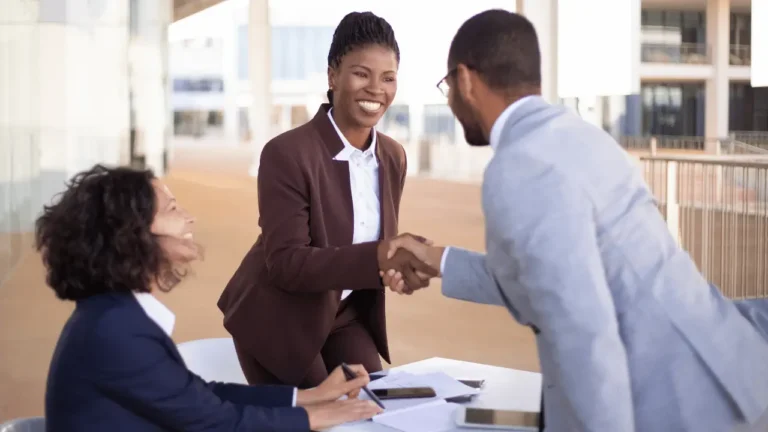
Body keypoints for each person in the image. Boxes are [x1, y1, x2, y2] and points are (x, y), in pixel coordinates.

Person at [382, 9, 768, 432]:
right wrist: (436, 259)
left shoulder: (520, 165)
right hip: (721, 376)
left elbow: (582, 333)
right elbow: (549, 276)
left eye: (448, 88)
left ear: (466, 80)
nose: (451, 100)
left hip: (679, 406)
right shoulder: (576, 136)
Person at [40, 165, 382, 431]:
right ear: (132, 235)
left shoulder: (113, 316)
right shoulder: (118, 331)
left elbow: (198, 396)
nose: (190, 217)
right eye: (173, 209)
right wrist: (315, 417)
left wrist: (308, 396)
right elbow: (217, 422)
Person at [217, 11, 435, 389]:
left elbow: (365, 251)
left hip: (343, 314)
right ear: (333, 75)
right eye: (361, 73)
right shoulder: (286, 153)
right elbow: (286, 263)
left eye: (388, 78)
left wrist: (396, 268)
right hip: (277, 315)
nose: (376, 89)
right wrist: (380, 256)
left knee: (376, 407)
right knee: (320, 420)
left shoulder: (392, 157)